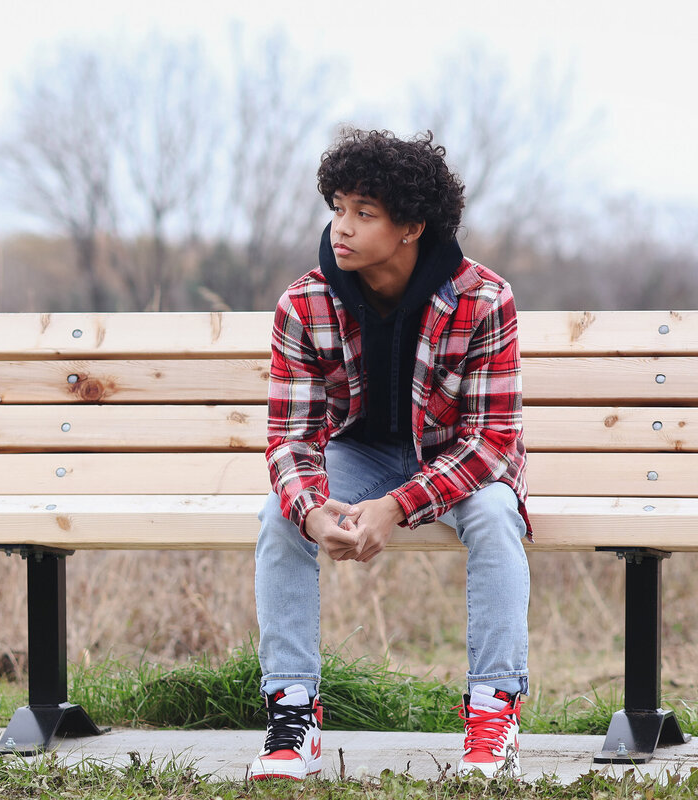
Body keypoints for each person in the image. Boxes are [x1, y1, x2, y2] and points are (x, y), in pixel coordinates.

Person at [250, 128, 531, 781]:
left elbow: (491, 444)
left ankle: (494, 719)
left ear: (410, 227)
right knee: (280, 515)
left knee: (494, 517)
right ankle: (292, 719)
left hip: (459, 462)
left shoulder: (485, 300)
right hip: (362, 456)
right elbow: (291, 438)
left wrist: (397, 507)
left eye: (363, 213)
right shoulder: (305, 303)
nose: (341, 227)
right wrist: (312, 511)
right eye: (337, 208)